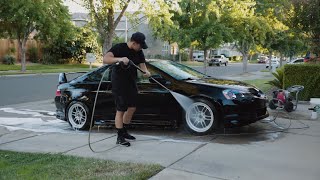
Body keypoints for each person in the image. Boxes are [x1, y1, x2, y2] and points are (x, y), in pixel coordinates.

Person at [103, 32, 151, 147]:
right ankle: (119, 137)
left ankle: (124, 130)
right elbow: (106, 59)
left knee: (132, 107)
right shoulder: (119, 48)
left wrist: (146, 72)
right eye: (140, 45)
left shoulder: (138, 51)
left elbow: (142, 65)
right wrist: (120, 59)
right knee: (121, 109)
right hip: (119, 83)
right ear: (134, 43)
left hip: (131, 82)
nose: (140, 48)